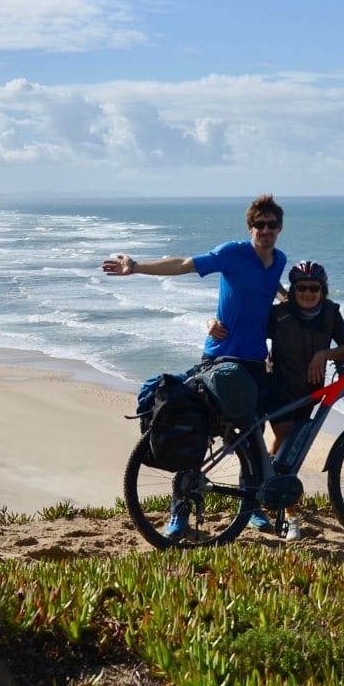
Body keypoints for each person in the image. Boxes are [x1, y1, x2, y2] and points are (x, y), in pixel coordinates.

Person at [102, 194, 287, 534]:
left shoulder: (279, 260)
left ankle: (253, 506)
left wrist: (297, 298)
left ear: (280, 228)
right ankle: (179, 511)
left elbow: (268, 287)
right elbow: (185, 263)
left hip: (254, 362)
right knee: (198, 430)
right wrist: (138, 267)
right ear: (250, 228)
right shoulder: (233, 253)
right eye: (259, 225)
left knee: (252, 435)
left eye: (271, 225)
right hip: (219, 357)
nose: (265, 230)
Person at [208, 259, 344, 542]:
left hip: (309, 392)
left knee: (286, 452)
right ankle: (289, 515)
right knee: (286, 448)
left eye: (314, 288)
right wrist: (212, 323)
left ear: (323, 290)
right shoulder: (279, 314)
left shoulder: (331, 314)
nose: (308, 293)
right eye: (301, 288)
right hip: (277, 390)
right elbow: (243, 328)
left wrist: (324, 355)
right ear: (293, 289)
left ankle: (264, 493)